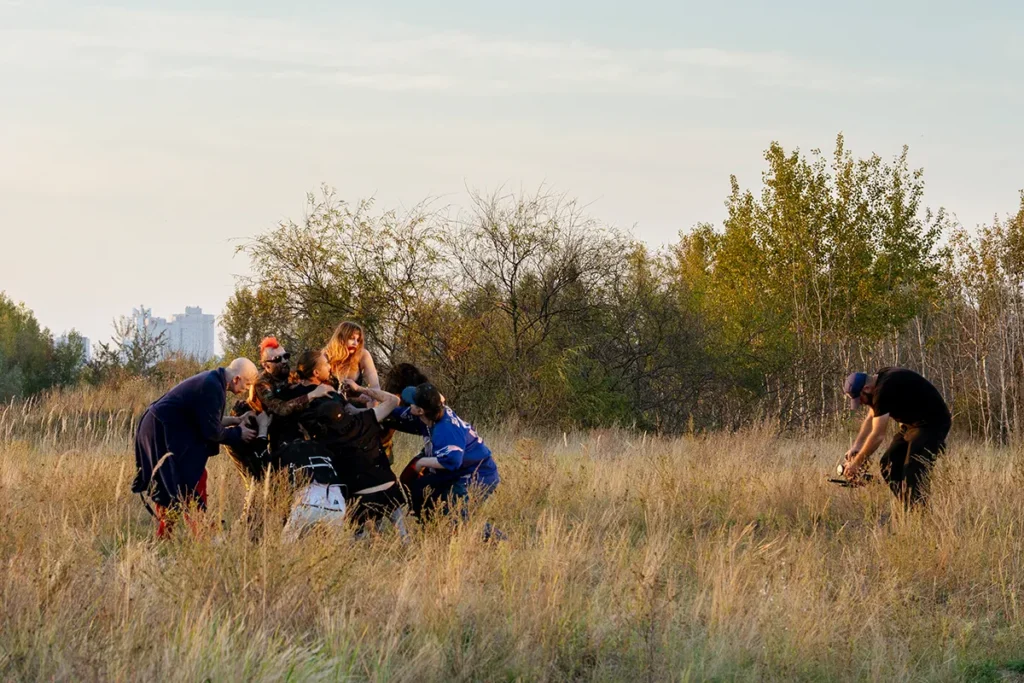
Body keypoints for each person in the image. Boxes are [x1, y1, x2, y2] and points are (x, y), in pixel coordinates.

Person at [131, 358, 259, 537]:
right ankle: (200, 534)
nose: (246, 390)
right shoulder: (212, 386)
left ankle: (168, 535)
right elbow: (211, 432)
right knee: (184, 482)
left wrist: (236, 421)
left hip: (162, 428)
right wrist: (238, 434)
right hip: (160, 431)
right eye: (247, 384)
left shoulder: (214, 381)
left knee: (181, 485)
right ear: (237, 378)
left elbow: (206, 420)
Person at [292, 353, 408, 538]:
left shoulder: (324, 439)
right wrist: (361, 388)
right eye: (326, 364)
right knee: (400, 527)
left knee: (359, 535)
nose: (329, 367)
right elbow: (393, 401)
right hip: (388, 488)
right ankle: (404, 545)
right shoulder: (364, 420)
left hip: (356, 494)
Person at [391, 383, 501, 532]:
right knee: (421, 491)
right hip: (462, 470)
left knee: (458, 516)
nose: (408, 405)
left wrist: (421, 462)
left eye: (412, 403)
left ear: (420, 410)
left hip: (478, 473)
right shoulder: (435, 413)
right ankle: (431, 532)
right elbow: (395, 411)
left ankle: (498, 542)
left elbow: (453, 460)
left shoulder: (445, 430)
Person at [840, 367, 952, 507]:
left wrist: (856, 464)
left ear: (867, 388)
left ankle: (920, 513)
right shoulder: (878, 379)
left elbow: (878, 435)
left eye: (860, 398)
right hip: (912, 425)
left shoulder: (883, 390)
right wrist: (856, 446)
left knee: (913, 469)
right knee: (889, 464)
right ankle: (910, 508)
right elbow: (870, 418)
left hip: (932, 424)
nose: (861, 403)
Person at [254, 336, 333, 451]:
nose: (284, 361)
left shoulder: (290, 375)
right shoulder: (262, 384)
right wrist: (312, 395)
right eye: (277, 359)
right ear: (266, 365)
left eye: (286, 356)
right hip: (270, 428)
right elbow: (280, 409)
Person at [324, 322, 380, 400]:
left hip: (355, 408)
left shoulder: (363, 355)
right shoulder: (325, 356)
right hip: (329, 406)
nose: (355, 343)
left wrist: (367, 396)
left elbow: (376, 388)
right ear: (341, 338)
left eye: (358, 340)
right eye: (352, 338)